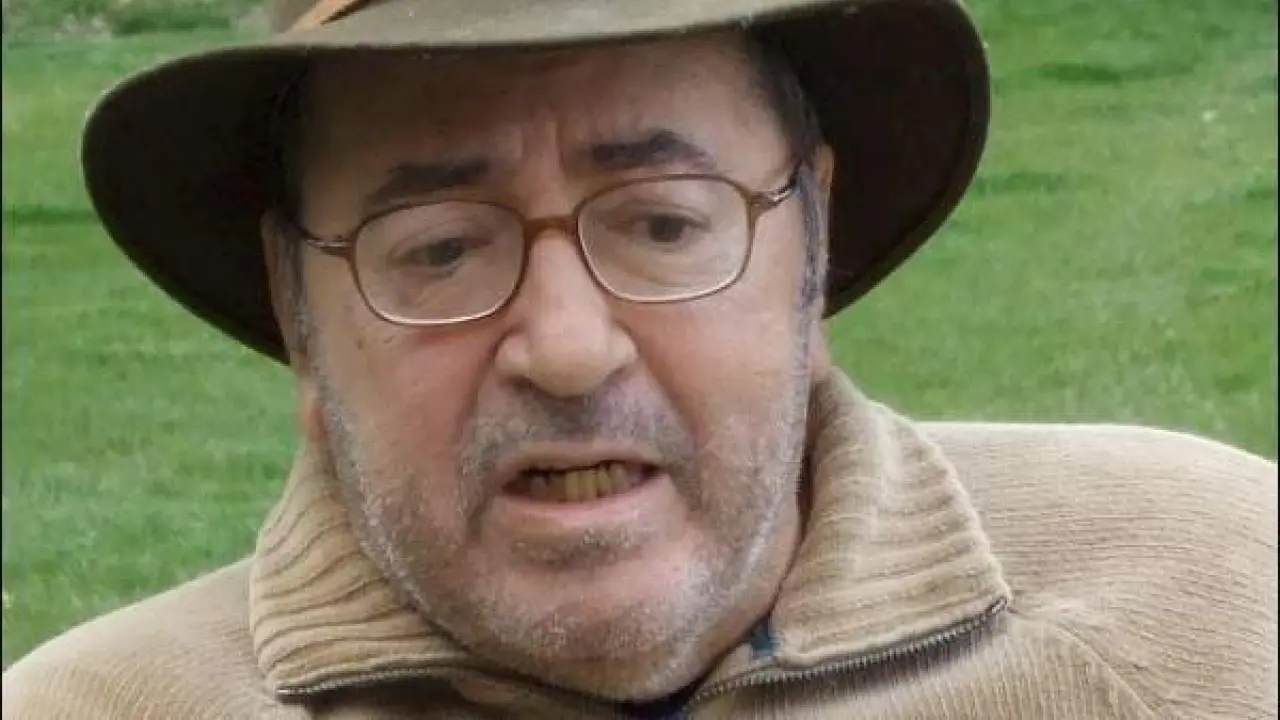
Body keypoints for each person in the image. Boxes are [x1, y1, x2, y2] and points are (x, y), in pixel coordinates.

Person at [4, 0, 1275, 716]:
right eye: (438, 248)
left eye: (664, 223)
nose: (565, 348)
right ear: (300, 315)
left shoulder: (1217, 602)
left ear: (812, 244)